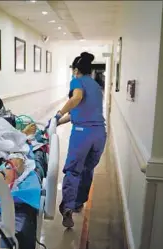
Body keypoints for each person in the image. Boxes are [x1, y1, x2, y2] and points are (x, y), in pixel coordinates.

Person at [52, 52, 107, 228]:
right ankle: (78, 203)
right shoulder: (96, 86)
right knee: (87, 170)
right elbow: (80, 111)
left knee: (73, 171)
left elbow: (76, 98)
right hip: (99, 134)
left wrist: (58, 113)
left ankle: (67, 207)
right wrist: (57, 122)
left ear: (76, 70)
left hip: (82, 134)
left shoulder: (77, 81)